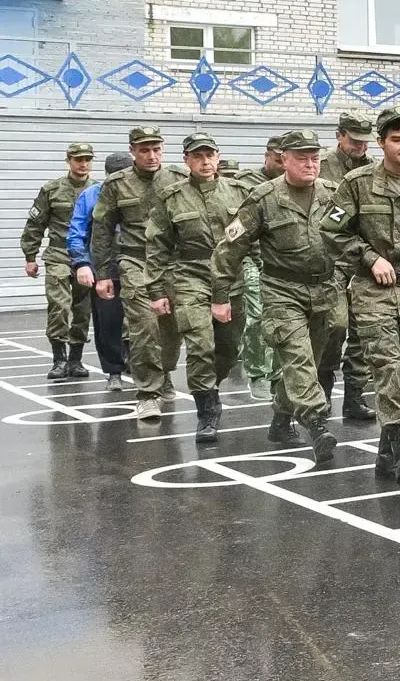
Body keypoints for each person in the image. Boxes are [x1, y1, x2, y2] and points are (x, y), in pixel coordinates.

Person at [320, 107, 400, 486]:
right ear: (381, 143)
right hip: (373, 290)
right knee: (387, 364)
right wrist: (369, 256)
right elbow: (331, 230)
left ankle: (385, 451)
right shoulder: (357, 183)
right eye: (397, 140)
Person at [212, 130, 347, 462]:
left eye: (315, 158)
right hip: (282, 290)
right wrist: (220, 294)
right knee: (298, 356)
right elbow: (231, 247)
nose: (310, 164)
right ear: (283, 159)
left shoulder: (333, 195)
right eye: (301, 158)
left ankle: (281, 418)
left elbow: (348, 238)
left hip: (325, 289)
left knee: (307, 363)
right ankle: (317, 422)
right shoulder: (263, 198)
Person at [148, 133, 248, 443]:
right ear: (187, 161)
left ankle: (211, 386)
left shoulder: (240, 192)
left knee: (229, 348)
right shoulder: (171, 197)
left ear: (218, 157)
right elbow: (157, 245)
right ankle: (207, 411)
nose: (205, 162)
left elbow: (255, 236)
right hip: (190, 276)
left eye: (210, 155)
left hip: (232, 278)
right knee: (200, 345)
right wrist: (156, 289)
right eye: (198, 156)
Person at [90, 126, 185, 421]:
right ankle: (147, 393)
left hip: (172, 263)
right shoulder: (117, 184)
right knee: (144, 327)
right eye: (144, 150)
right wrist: (103, 273)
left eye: (156, 149)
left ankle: (165, 373)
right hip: (135, 262)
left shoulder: (179, 178)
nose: (151, 155)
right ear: (132, 151)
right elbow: (102, 229)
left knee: (170, 331)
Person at [322, 110, 378, 423]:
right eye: (354, 140)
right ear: (339, 135)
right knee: (334, 327)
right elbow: (329, 222)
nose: (360, 146)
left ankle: (354, 397)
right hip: (333, 261)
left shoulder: (373, 169)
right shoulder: (322, 166)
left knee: (362, 333)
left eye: (364, 142)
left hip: (364, 262)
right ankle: (324, 393)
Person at [22, 142, 94, 379]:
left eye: (87, 159)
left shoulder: (98, 190)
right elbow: (35, 224)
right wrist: (30, 257)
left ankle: (75, 359)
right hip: (59, 255)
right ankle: (59, 360)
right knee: (59, 306)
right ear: (68, 161)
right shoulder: (52, 189)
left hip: (86, 257)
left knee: (82, 310)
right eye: (78, 159)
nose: (83, 164)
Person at [67, 152, 131, 389]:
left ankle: (147, 368)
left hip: (140, 263)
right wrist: (82, 263)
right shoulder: (91, 195)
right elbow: (76, 233)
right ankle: (114, 371)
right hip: (105, 266)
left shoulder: (145, 191)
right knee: (108, 322)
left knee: (148, 321)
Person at [233, 135, 286, 402]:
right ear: (267, 156)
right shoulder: (245, 183)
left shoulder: (295, 183)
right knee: (256, 316)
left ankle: (279, 374)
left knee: (282, 320)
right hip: (251, 257)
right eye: (278, 159)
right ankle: (256, 373)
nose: (282, 164)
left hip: (283, 260)